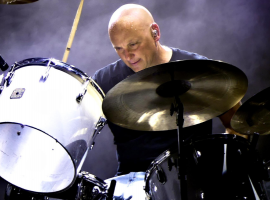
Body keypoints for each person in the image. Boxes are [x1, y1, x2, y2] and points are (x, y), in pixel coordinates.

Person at [92, 4, 244, 199]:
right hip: (131, 185)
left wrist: (225, 173)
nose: (127, 56)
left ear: (155, 32)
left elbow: (237, 126)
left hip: (193, 183)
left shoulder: (201, 72)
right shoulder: (104, 81)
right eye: (118, 49)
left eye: (133, 44)